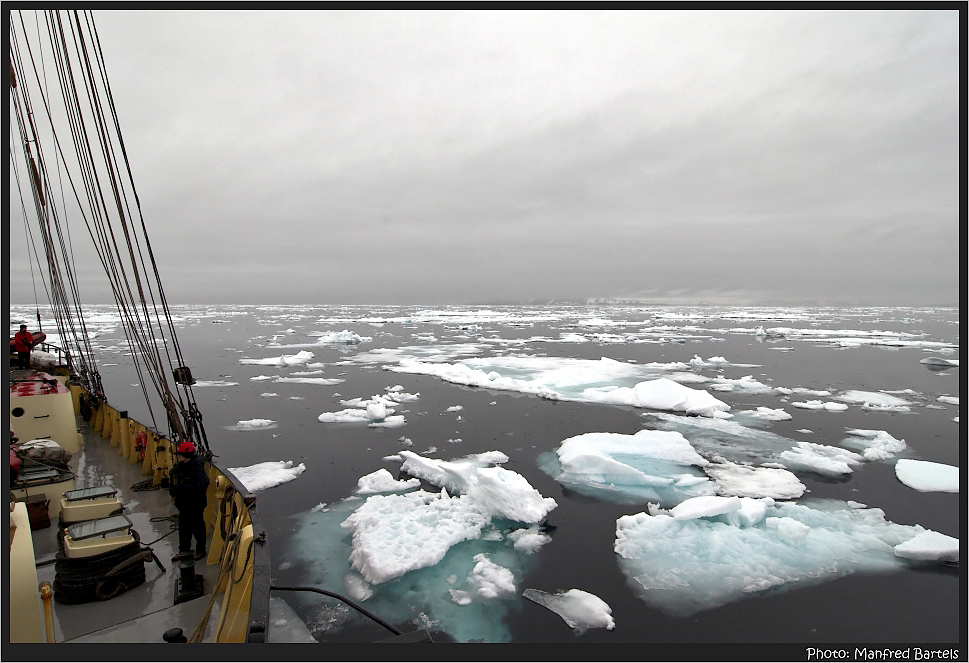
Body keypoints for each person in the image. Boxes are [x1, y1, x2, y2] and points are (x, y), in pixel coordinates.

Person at [168, 440, 209, 562]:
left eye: (180, 454)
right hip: (184, 503)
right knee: (184, 528)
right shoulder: (182, 466)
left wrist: (182, 488)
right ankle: (183, 551)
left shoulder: (197, 467)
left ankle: (200, 550)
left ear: (186, 456)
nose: (178, 456)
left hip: (195, 504)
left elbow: (202, 484)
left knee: (197, 527)